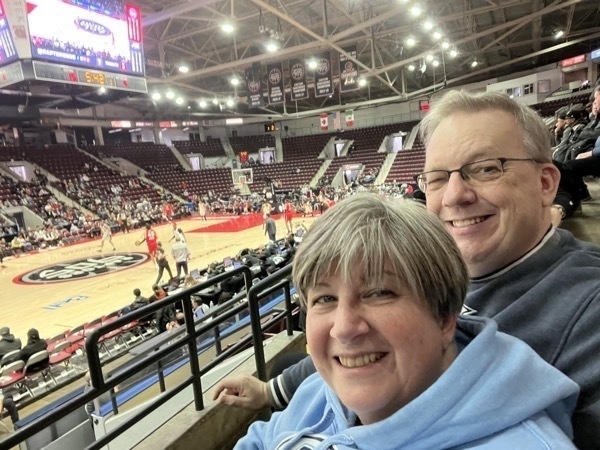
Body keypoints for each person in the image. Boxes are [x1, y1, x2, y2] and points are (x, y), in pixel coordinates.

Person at [213, 90, 600, 449]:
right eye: (436, 178)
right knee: (286, 366)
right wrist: (271, 393)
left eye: (485, 169)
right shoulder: (429, 265)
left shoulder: (590, 309)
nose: (455, 196)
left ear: (546, 182)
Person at [230, 196, 578, 449]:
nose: (344, 328)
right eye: (325, 299)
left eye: (379, 293)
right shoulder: (323, 392)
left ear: (444, 317)